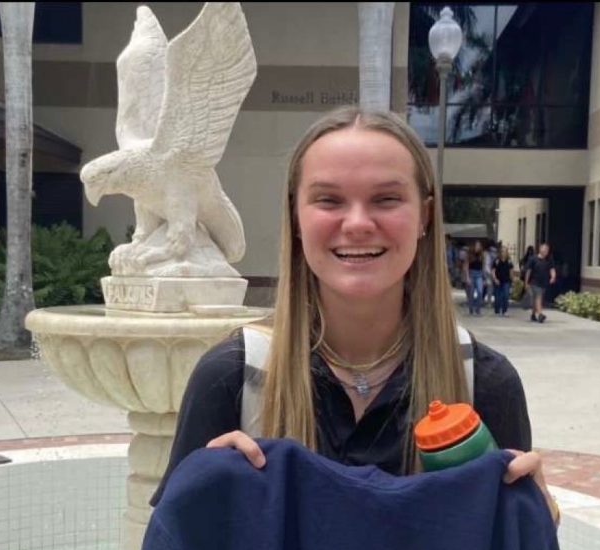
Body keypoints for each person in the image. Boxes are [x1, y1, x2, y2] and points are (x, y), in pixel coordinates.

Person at [150, 105, 558, 518]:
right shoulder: (233, 378)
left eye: (386, 199)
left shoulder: (483, 384)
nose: (358, 223)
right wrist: (200, 509)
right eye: (328, 200)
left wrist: (535, 519)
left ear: (425, 216)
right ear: (295, 216)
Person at [524, 242, 556, 323]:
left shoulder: (549, 260)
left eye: (547, 250)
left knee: (537, 299)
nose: (545, 251)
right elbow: (528, 271)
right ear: (540, 249)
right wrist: (526, 282)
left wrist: (553, 277)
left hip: (544, 283)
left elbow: (552, 269)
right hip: (534, 282)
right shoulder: (533, 259)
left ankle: (533, 314)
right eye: (544, 249)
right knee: (538, 297)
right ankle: (540, 315)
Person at [464, 240, 486, 315]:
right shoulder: (470, 254)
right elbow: (466, 266)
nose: (477, 247)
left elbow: (483, 266)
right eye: (476, 246)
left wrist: (484, 277)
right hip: (471, 274)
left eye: (479, 246)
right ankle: (471, 308)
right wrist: (467, 277)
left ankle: (478, 308)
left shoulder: (482, 255)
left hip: (479, 274)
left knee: (480, 291)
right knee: (471, 293)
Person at [492, 246, 514, 317]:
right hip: (498, 280)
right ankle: (497, 310)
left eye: (505, 251)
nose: (503, 253)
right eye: (502, 251)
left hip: (506, 281)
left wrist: (512, 280)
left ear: (507, 253)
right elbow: (493, 271)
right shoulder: (497, 261)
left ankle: (505, 310)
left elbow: (511, 271)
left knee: (506, 295)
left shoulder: (509, 261)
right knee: (498, 297)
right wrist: (495, 279)